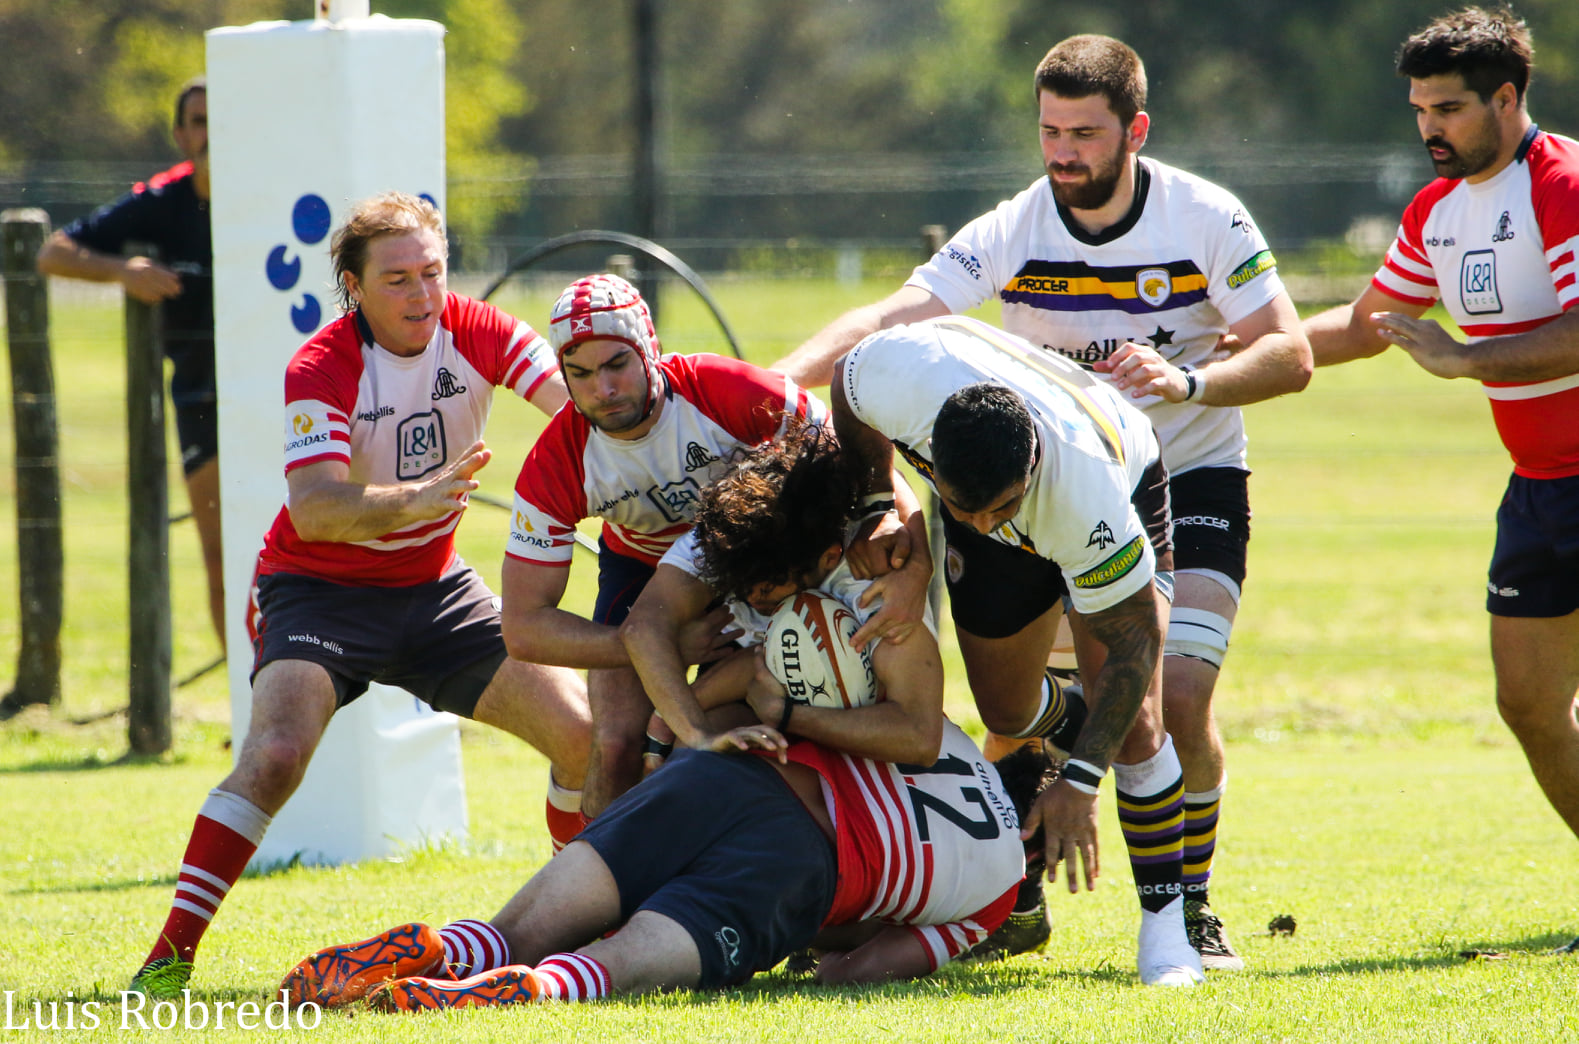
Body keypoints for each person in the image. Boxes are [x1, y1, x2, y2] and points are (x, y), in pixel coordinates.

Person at [771, 35, 1312, 970]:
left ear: (1134, 131)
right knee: (1013, 708)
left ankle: (1186, 909)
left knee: (1168, 692)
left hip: (1175, 474)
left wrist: (1188, 385)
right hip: (1011, 479)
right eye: (1049, 131)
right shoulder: (1017, 226)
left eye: (1084, 134)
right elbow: (888, 325)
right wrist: (771, 382)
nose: (1062, 153)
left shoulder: (1204, 217)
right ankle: (1017, 883)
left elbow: (1290, 355)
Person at [277, 431, 1023, 1008]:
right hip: (801, 863)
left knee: (520, 932)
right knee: (608, 968)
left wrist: (682, 742)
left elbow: (761, 687)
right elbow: (847, 970)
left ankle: (454, 947)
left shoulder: (953, 750)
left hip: (735, 772)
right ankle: (532, 990)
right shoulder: (985, 904)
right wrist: (827, 940)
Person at [126, 191, 593, 998]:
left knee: (586, 741)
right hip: (317, 589)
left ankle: (566, 928)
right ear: (353, 285)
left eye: (433, 274)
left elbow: (578, 409)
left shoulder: (477, 331)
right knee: (273, 757)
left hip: (433, 590)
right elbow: (314, 508)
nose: (421, 296)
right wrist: (410, 499)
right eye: (397, 279)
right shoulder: (321, 364)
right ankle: (168, 960)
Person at [1303, 7, 1579, 954]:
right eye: (1419, 108)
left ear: (1508, 99)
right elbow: (1363, 324)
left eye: (1450, 109)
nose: (1429, 128)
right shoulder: (1434, 209)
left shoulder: (1563, 183)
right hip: (1540, 486)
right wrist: (1216, 358)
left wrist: (1468, 361)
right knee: (1529, 706)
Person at [831, 314, 1204, 986]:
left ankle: (1165, 928)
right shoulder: (893, 380)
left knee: (1134, 724)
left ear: (1027, 469)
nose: (978, 525)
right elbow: (844, 388)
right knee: (1003, 713)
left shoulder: (1084, 497)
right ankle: (1072, 724)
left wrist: (1081, 781)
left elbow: (1133, 648)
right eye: (960, 507)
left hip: (1119, 469)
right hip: (996, 470)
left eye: (997, 510)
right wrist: (871, 503)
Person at [499, 274, 825, 820]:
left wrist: (895, 536)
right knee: (617, 744)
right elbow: (523, 629)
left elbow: (843, 453)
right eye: (578, 374)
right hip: (642, 574)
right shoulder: (557, 458)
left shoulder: (722, 388)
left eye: (616, 365)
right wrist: (659, 646)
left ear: (650, 349)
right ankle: (591, 897)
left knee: (756, 725)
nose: (601, 388)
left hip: (756, 560)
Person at [619, 422, 944, 770]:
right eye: (740, 582)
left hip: (873, 745)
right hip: (751, 690)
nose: (750, 595)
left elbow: (920, 739)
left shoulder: (874, 585)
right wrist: (691, 732)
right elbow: (642, 630)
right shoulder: (725, 540)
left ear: (830, 557)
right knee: (679, 755)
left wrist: (788, 715)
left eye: (767, 585)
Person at [36, 78, 228, 650]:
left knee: (306, 556)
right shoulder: (162, 200)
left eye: (217, 120)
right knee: (223, 557)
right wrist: (125, 272)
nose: (207, 133)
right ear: (178, 133)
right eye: (196, 121)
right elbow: (53, 252)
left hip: (283, 397)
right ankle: (250, 709)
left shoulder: (276, 195)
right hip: (199, 394)